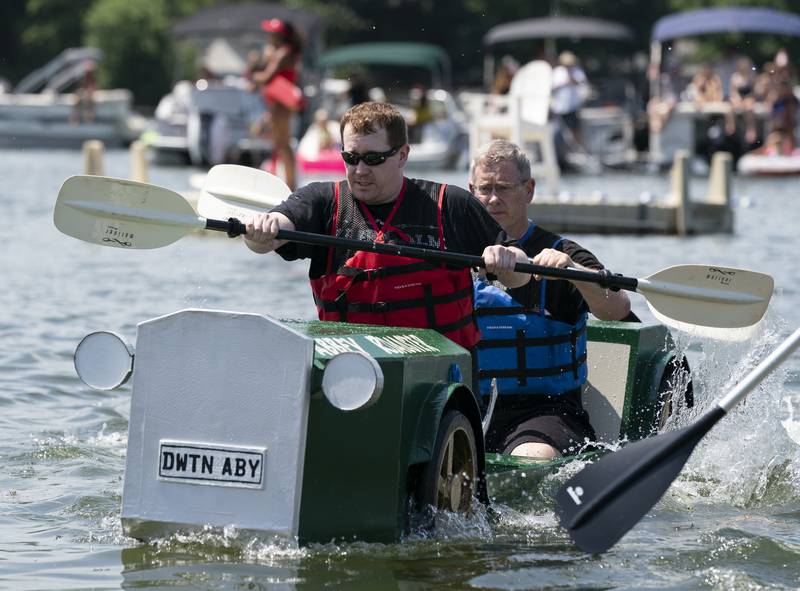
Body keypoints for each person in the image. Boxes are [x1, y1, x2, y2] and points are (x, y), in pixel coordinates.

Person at [244, 102, 531, 352]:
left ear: (402, 155)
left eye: (373, 159)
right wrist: (262, 230)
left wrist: (507, 258)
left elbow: (521, 276)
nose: (360, 170)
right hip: (353, 367)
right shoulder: (322, 201)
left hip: (440, 372)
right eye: (351, 158)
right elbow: (264, 241)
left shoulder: (451, 204)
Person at [468, 139, 632, 460]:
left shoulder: (565, 252)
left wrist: (571, 272)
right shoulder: (454, 249)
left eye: (504, 188)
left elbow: (618, 308)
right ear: (471, 189)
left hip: (546, 410)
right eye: (484, 189)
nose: (492, 199)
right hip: (470, 406)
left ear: (529, 190)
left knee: (533, 456)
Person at [250, 18, 303, 190]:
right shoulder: (284, 52)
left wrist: (254, 77)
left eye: (272, 33)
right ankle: (285, 181)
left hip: (281, 103)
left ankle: (291, 184)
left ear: (279, 36)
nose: (269, 36)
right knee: (280, 143)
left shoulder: (282, 53)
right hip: (279, 103)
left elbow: (267, 77)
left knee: (282, 143)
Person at [551, 51, 589, 149]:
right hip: (559, 107)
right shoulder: (557, 72)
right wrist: (563, 83)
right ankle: (561, 149)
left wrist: (571, 78)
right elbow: (552, 87)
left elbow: (582, 83)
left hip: (572, 107)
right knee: (557, 131)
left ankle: (579, 149)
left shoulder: (577, 71)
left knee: (575, 130)